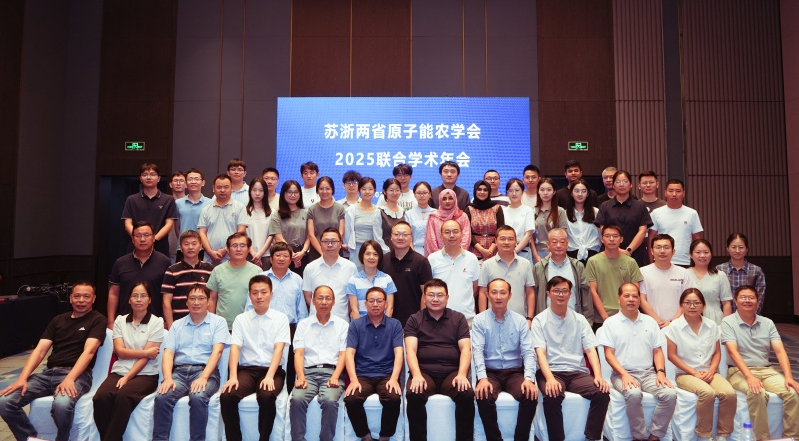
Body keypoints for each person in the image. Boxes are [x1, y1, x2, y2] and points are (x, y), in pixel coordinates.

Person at [0, 282, 106, 441]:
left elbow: (89, 352)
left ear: (94, 299)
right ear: (70, 298)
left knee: (62, 405)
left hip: (77, 375)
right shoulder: (58, 320)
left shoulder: (97, 320)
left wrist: (69, 379)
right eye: (77, 296)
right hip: (47, 374)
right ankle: (30, 438)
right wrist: (22, 378)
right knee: (4, 402)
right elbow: (40, 351)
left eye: (86, 296)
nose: (81, 300)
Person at [531, 276, 610, 441]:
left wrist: (598, 376)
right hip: (551, 371)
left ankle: (591, 437)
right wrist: (550, 379)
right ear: (548, 294)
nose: (560, 294)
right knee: (552, 395)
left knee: (601, 392)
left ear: (570, 294)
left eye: (564, 291)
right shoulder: (539, 320)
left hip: (576, 372)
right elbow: (540, 354)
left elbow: (591, 350)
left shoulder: (580, 320)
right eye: (556, 291)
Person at [598, 283, 677, 441]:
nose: (631, 299)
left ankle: (655, 436)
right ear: (618, 299)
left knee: (670, 394)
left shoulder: (650, 322)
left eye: (635, 296)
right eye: (626, 296)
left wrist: (661, 372)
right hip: (622, 374)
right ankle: (638, 436)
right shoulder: (610, 323)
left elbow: (657, 351)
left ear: (640, 300)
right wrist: (624, 374)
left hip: (648, 373)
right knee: (633, 394)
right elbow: (609, 354)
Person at [152, 284, 229, 441]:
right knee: (162, 397)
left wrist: (203, 378)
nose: (196, 302)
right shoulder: (177, 325)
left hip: (205, 372)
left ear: (208, 301)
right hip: (179, 373)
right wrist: (168, 378)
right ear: (186, 302)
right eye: (192, 298)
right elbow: (168, 354)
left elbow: (217, 352)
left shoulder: (218, 322)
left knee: (198, 396)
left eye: (201, 298)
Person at [721, 285, 799, 441]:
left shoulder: (767, 323)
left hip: (767, 370)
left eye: (751, 298)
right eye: (743, 297)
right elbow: (733, 352)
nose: (747, 300)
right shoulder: (728, 322)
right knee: (756, 392)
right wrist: (749, 377)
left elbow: (780, 351)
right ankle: (762, 438)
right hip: (738, 371)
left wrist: (789, 377)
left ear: (757, 301)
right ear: (735, 301)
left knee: (792, 392)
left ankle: (792, 437)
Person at [220, 275, 290, 441]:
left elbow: (279, 349)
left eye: (263, 292)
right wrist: (233, 376)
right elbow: (235, 348)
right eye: (255, 292)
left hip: (273, 371)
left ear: (271, 294)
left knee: (266, 396)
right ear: (249, 295)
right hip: (247, 371)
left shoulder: (281, 318)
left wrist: (269, 376)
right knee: (227, 396)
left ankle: (263, 438)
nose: (259, 296)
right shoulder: (241, 319)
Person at [404, 279, 475, 441]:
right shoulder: (414, 319)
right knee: (414, 394)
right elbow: (410, 350)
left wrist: (462, 374)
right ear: (424, 297)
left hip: (452, 373)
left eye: (440, 295)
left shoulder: (458, 318)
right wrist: (416, 375)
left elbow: (466, 349)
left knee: (465, 393)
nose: (435, 299)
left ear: (447, 297)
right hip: (424, 373)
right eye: (431, 295)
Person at [93, 282, 164, 441]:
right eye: (135, 296)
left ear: (149, 300)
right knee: (100, 398)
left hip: (146, 374)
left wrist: (127, 377)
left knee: (123, 396)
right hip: (120, 370)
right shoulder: (120, 321)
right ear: (129, 300)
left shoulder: (157, 322)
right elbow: (120, 351)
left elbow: (145, 359)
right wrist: (145, 352)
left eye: (143, 296)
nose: (139, 299)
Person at [665, 288, 736, 441]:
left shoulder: (712, 325)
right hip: (685, 374)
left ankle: (723, 435)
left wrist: (711, 371)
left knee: (729, 393)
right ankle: (704, 435)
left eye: (696, 303)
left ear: (703, 306)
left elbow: (717, 353)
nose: (692, 306)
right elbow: (671, 355)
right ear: (681, 305)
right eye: (688, 303)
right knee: (707, 393)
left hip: (710, 371)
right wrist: (694, 373)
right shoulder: (674, 327)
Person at [472, 278, 538, 441]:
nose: (498, 296)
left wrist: (529, 378)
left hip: (514, 372)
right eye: (494, 292)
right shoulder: (479, 320)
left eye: (503, 292)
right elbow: (477, 351)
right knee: (483, 395)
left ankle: (520, 438)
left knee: (530, 394)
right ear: (487, 295)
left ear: (510, 295)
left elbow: (529, 352)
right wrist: (482, 378)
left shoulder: (520, 321)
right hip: (490, 372)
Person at [343, 287, 404, 441]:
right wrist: (354, 380)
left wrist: (394, 378)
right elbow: (349, 354)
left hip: (386, 374)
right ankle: (365, 436)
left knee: (393, 398)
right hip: (363, 375)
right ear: (365, 304)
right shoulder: (356, 325)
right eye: (371, 301)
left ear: (386, 304)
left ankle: (384, 436)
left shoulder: (395, 324)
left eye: (379, 301)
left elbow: (399, 353)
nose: (375, 304)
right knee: (351, 399)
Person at [290, 285, 349, 441]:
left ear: (334, 302)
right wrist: (300, 377)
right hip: (308, 373)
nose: (324, 302)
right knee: (297, 399)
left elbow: (343, 354)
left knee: (329, 401)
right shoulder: (303, 325)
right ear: (313, 301)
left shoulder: (342, 325)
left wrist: (336, 376)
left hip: (332, 372)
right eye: (320, 298)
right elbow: (299, 353)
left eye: (328, 298)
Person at [256, 241, 308, 394]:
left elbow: (301, 310)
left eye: (285, 256)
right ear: (271, 259)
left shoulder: (297, 279)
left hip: (290, 328)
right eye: (278, 255)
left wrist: (301, 332)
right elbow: (250, 306)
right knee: (267, 360)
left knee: (290, 363)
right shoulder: (261, 278)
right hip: (265, 326)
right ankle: (268, 390)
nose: (281, 258)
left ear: (290, 259)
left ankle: (289, 395)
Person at [108, 221, 171, 327]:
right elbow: (114, 293)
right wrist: (110, 321)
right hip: (126, 322)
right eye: (138, 235)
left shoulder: (164, 262)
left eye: (146, 235)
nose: (142, 239)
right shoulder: (121, 262)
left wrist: (166, 321)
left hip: (156, 323)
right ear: (133, 239)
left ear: (153, 238)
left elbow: (167, 296)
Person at [585, 223, 643, 328]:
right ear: (602, 239)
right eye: (607, 236)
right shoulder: (593, 261)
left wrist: (627, 314)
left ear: (621, 239)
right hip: (602, 318)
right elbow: (592, 291)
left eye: (615, 236)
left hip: (627, 316)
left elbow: (635, 291)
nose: (611, 239)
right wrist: (605, 317)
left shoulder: (631, 262)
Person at [533, 228, 594, 324]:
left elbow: (586, 295)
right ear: (548, 244)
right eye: (554, 242)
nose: (558, 245)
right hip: (546, 322)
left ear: (567, 244)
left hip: (574, 321)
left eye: (562, 242)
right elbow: (534, 295)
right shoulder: (539, 267)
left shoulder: (577, 266)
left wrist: (588, 321)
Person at [595, 170, 653, 268]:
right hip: (610, 252)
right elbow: (603, 230)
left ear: (631, 185)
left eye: (625, 181)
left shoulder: (640, 206)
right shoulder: (605, 206)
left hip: (636, 253)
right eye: (618, 182)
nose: (621, 184)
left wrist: (629, 250)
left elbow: (642, 231)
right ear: (613, 185)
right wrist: (617, 249)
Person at [206, 232, 263, 331]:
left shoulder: (257, 272)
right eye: (234, 246)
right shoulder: (218, 270)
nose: (238, 249)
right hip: (223, 327)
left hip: (250, 327)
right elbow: (212, 299)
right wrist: (211, 323)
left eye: (242, 245)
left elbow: (262, 300)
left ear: (248, 249)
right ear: (228, 250)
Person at [427, 220, 480, 324]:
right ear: (441, 236)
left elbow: (475, 288)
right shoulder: (432, 259)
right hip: (439, 318)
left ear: (462, 234)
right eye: (447, 232)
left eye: (455, 231)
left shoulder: (472, 258)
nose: (452, 235)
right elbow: (428, 290)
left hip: (467, 318)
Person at [381, 221, 432, 327]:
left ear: (411, 237)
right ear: (391, 237)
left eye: (405, 234)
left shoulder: (421, 262)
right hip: (386, 319)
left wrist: (421, 320)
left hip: (413, 321)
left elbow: (426, 293)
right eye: (397, 234)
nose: (400, 238)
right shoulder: (383, 260)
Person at [639, 233, 696, 328]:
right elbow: (642, 299)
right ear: (651, 251)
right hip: (651, 325)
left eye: (666, 247)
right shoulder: (642, 272)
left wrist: (673, 322)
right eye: (658, 247)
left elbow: (689, 299)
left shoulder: (684, 273)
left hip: (679, 325)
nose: (662, 251)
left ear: (673, 251)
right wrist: (658, 322)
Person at [121, 163, 178, 257]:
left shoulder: (168, 200)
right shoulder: (131, 199)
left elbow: (169, 224)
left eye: (152, 174)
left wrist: (153, 239)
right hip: (135, 246)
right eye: (145, 175)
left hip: (160, 246)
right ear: (140, 178)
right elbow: (127, 224)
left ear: (159, 178)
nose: (148, 177)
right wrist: (139, 238)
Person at [478, 226, 535, 319]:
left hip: (519, 319)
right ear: (496, 241)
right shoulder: (487, 265)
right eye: (502, 239)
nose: (506, 242)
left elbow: (530, 292)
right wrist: (483, 319)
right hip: (492, 319)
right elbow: (483, 293)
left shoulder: (525, 264)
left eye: (510, 239)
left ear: (516, 242)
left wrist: (530, 318)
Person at [161, 230, 214, 329]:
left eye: (194, 244)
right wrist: (171, 327)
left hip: (204, 323)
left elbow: (212, 299)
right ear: (180, 248)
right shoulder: (172, 270)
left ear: (201, 246)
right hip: (179, 324)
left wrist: (211, 324)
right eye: (186, 244)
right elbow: (166, 302)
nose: (190, 247)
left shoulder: (209, 269)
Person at [303, 228, 358, 321]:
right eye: (326, 241)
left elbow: (352, 298)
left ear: (340, 244)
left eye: (334, 241)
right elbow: (308, 297)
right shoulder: (310, 268)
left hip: (342, 321)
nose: (329, 245)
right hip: (315, 321)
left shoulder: (350, 267)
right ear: (320, 244)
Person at [648, 179, 703, 266]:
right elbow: (651, 238)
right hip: (661, 260)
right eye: (671, 191)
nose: (674, 194)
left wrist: (696, 262)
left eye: (678, 191)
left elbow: (697, 239)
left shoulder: (692, 213)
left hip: (685, 261)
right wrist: (651, 261)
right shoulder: (656, 213)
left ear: (683, 193)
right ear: (665, 193)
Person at [197, 174, 248, 266]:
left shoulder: (240, 208)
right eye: (219, 187)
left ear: (231, 188)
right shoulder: (205, 210)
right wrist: (210, 251)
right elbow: (202, 233)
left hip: (232, 257)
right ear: (213, 188)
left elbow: (241, 231)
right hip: (210, 258)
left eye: (226, 187)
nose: (222, 190)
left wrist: (226, 249)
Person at [716, 232, 767, 314]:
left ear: (747, 249)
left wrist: (751, 317)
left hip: (750, 316)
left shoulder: (756, 271)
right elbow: (716, 297)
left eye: (741, 247)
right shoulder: (719, 270)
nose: (737, 250)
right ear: (727, 248)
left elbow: (760, 298)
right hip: (724, 316)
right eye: (733, 247)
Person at [347, 240, 397, 319]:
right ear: (362, 256)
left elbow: (389, 308)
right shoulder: (353, 280)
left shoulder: (387, 279)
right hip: (361, 324)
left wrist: (384, 325)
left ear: (379, 257)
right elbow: (354, 310)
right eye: (368, 254)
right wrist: (360, 326)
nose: (371, 257)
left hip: (383, 324)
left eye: (375, 254)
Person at [271, 179, 311, 277]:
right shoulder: (277, 214)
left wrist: (303, 252)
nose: (293, 195)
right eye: (289, 192)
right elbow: (278, 238)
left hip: (303, 253)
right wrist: (291, 255)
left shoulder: (306, 213)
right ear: (283, 194)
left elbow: (310, 236)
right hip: (284, 254)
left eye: (296, 192)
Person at [687, 239, 732, 324]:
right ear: (691, 255)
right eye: (698, 252)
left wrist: (726, 325)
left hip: (715, 320)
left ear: (711, 254)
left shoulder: (720, 275)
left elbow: (726, 303)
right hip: (689, 319)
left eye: (706, 252)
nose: (702, 255)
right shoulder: (684, 274)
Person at [175, 168, 212, 262]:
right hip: (183, 248)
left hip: (203, 248)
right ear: (186, 183)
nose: (193, 182)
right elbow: (177, 228)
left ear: (203, 183)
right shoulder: (178, 203)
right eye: (190, 179)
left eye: (196, 179)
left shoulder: (210, 203)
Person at [307, 176, 347, 263]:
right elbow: (311, 235)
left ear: (332, 190)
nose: (324, 191)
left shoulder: (340, 208)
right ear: (317, 190)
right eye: (321, 189)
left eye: (327, 188)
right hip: (317, 251)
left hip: (335, 250)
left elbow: (341, 233)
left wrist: (333, 249)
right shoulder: (312, 209)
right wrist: (322, 253)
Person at [344, 176, 380, 269]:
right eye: (364, 189)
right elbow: (347, 232)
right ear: (359, 190)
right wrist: (349, 247)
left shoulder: (378, 211)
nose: (367, 192)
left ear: (374, 191)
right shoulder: (351, 210)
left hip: (373, 251)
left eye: (370, 189)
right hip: (356, 250)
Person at [424, 189, 471, 255]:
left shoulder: (462, 216)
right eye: (444, 199)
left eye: (450, 198)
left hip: (459, 256)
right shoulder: (433, 217)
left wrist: (457, 253)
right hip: (438, 257)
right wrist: (440, 256)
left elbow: (466, 238)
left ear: (455, 199)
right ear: (440, 200)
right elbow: (431, 240)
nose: (447, 201)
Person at [565, 179, 601, 266]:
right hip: (572, 253)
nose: (580, 194)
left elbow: (601, 233)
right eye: (576, 191)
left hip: (593, 253)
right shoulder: (565, 213)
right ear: (571, 193)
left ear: (588, 194)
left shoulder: (596, 212)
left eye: (583, 191)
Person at [467, 180, 504, 261]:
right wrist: (482, 250)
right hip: (474, 249)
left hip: (494, 249)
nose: (482, 192)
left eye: (485, 190)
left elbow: (501, 231)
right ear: (475, 191)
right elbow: (467, 232)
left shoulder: (497, 208)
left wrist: (490, 250)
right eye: (479, 189)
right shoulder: (469, 209)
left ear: (489, 192)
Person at [533, 177, 568, 263]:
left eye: (549, 190)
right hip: (536, 253)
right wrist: (536, 255)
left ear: (554, 192)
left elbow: (563, 236)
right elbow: (530, 238)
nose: (545, 193)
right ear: (538, 191)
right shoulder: (532, 211)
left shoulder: (560, 211)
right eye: (542, 190)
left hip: (556, 252)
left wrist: (550, 255)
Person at [503, 177, 536, 264]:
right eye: (510, 191)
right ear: (507, 192)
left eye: (517, 190)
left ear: (522, 192)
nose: (514, 193)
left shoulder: (528, 210)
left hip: (523, 252)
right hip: (506, 252)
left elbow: (528, 234)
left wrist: (515, 251)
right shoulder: (502, 211)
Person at [245, 177, 273, 270]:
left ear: (265, 192)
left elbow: (271, 235)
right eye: (254, 190)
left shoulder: (272, 212)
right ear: (250, 191)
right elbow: (244, 234)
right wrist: (253, 253)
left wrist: (261, 253)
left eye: (261, 190)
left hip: (266, 255)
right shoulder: (244, 212)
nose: (257, 193)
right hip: (248, 254)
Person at [404, 181, 437, 256]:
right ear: (414, 195)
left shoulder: (436, 213)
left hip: (433, 252)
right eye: (419, 193)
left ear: (430, 194)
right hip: (414, 252)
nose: (422, 196)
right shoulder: (408, 214)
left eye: (425, 193)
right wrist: (412, 254)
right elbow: (407, 236)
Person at [374, 178, 406, 253]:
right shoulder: (379, 212)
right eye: (391, 190)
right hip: (385, 253)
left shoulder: (403, 212)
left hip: (402, 252)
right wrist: (388, 252)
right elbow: (377, 237)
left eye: (397, 190)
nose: (394, 193)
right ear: (385, 192)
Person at [167, 171, 186, 262]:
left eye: (181, 181)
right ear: (170, 184)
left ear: (186, 184)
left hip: (186, 249)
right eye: (175, 181)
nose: (178, 183)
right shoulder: (165, 202)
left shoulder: (192, 203)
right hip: (167, 248)